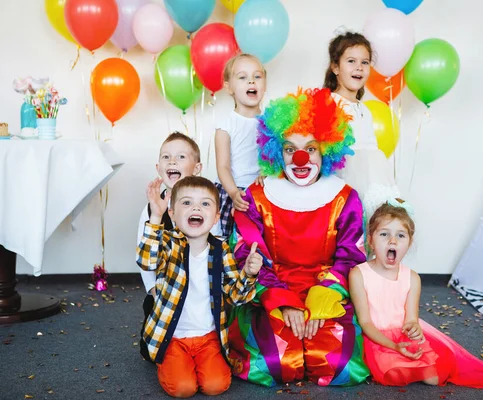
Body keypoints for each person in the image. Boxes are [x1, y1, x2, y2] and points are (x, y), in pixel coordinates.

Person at [227, 87, 370, 387]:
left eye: (311, 148)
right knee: (276, 364)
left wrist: (323, 301)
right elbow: (246, 252)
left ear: (326, 150)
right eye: (290, 149)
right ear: (276, 151)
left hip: (327, 291)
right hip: (273, 292)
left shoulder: (345, 198)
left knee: (336, 365)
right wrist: (283, 302)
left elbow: (351, 257)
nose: (301, 157)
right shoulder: (257, 197)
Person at [136, 176, 263, 397]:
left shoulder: (222, 251)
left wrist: (249, 274)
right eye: (186, 203)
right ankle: (163, 357)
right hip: (173, 337)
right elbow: (147, 261)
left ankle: (195, 363)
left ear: (215, 218)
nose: (196, 207)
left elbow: (236, 297)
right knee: (183, 389)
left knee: (216, 386)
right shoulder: (168, 243)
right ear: (173, 214)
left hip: (209, 338)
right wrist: (156, 216)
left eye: (205, 203)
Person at [349, 200, 483, 387]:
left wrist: (413, 329)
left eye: (400, 236)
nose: (392, 241)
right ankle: (397, 361)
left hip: (402, 335)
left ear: (409, 243)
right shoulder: (359, 274)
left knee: (433, 378)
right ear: (370, 239)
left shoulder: (411, 278)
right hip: (376, 337)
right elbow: (366, 322)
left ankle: (412, 362)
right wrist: (393, 346)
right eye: (384, 234)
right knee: (394, 374)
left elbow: (411, 319)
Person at [136, 132, 202, 361]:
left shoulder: (206, 203)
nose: (172, 161)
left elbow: (216, 246)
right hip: (165, 290)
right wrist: (152, 289)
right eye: (166, 157)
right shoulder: (151, 209)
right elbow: (143, 252)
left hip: (199, 289)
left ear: (197, 168)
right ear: (158, 167)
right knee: (155, 352)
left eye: (181, 157)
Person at [324, 31, 402, 219]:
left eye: (364, 62)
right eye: (351, 61)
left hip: (372, 182)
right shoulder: (330, 103)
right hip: (346, 182)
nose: (359, 67)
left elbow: (372, 148)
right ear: (335, 67)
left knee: (377, 225)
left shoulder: (364, 110)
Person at [214, 53, 266, 239]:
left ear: (265, 83)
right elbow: (223, 167)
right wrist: (234, 193)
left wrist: (269, 173)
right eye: (243, 77)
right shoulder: (226, 124)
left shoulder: (272, 120)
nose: (251, 81)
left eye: (257, 76)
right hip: (236, 191)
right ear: (229, 87)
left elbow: (279, 155)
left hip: (264, 190)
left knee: (264, 240)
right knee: (232, 240)